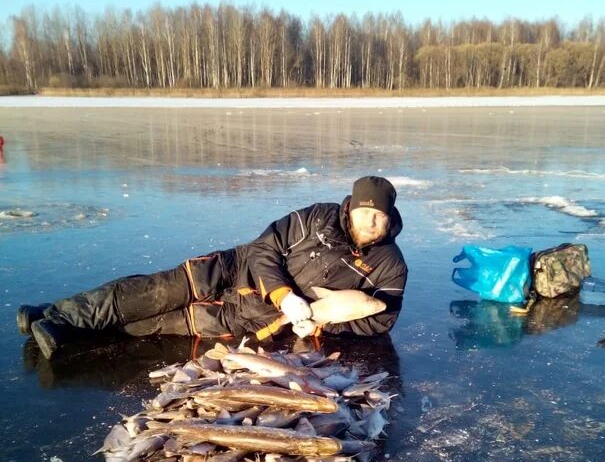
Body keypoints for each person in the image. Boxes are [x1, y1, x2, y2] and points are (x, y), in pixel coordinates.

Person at [17, 175, 408, 359]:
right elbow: (263, 248)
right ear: (351, 206)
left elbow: (379, 319)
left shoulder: (391, 266)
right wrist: (285, 294)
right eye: (363, 212)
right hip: (231, 269)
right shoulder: (318, 217)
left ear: (390, 218)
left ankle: (62, 323)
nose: (369, 223)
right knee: (152, 293)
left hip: (253, 318)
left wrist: (321, 323)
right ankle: (59, 317)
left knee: (160, 323)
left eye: (378, 217)